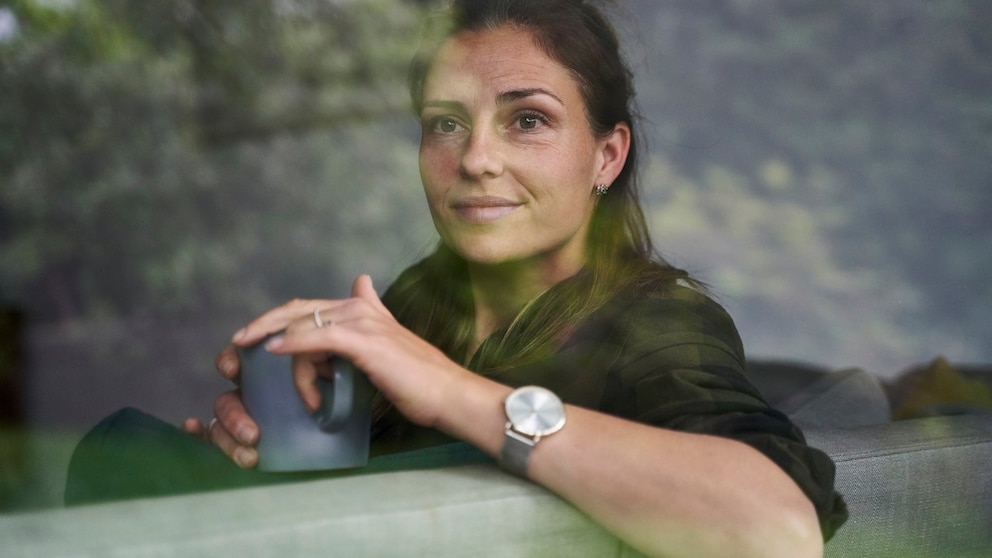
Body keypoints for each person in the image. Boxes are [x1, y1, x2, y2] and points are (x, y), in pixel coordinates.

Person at [68, 1, 847, 556]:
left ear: (607, 155)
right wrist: (292, 442)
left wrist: (448, 390)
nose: (474, 158)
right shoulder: (418, 298)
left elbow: (773, 532)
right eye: (445, 123)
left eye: (527, 120)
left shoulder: (656, 321)